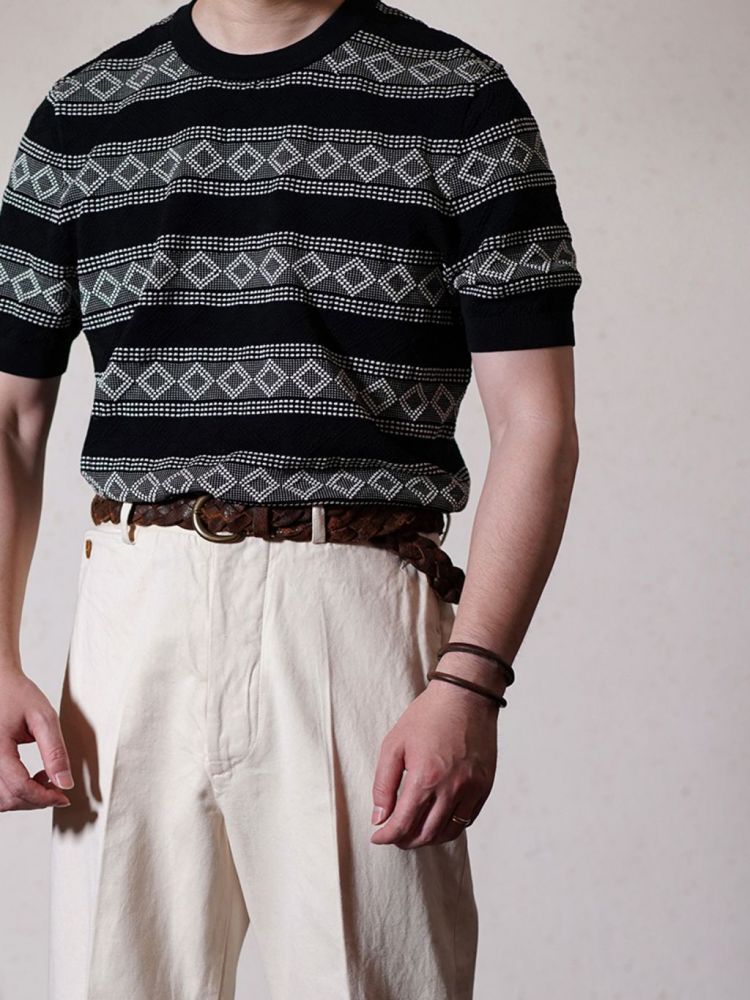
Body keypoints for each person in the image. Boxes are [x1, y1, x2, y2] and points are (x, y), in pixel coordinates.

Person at [0, 0, 581, 997]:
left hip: (353, 611)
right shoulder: (84, 112)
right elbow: (10, 417)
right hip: (133, 616)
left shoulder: (461, 101)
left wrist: (471, 679)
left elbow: (538, 425)